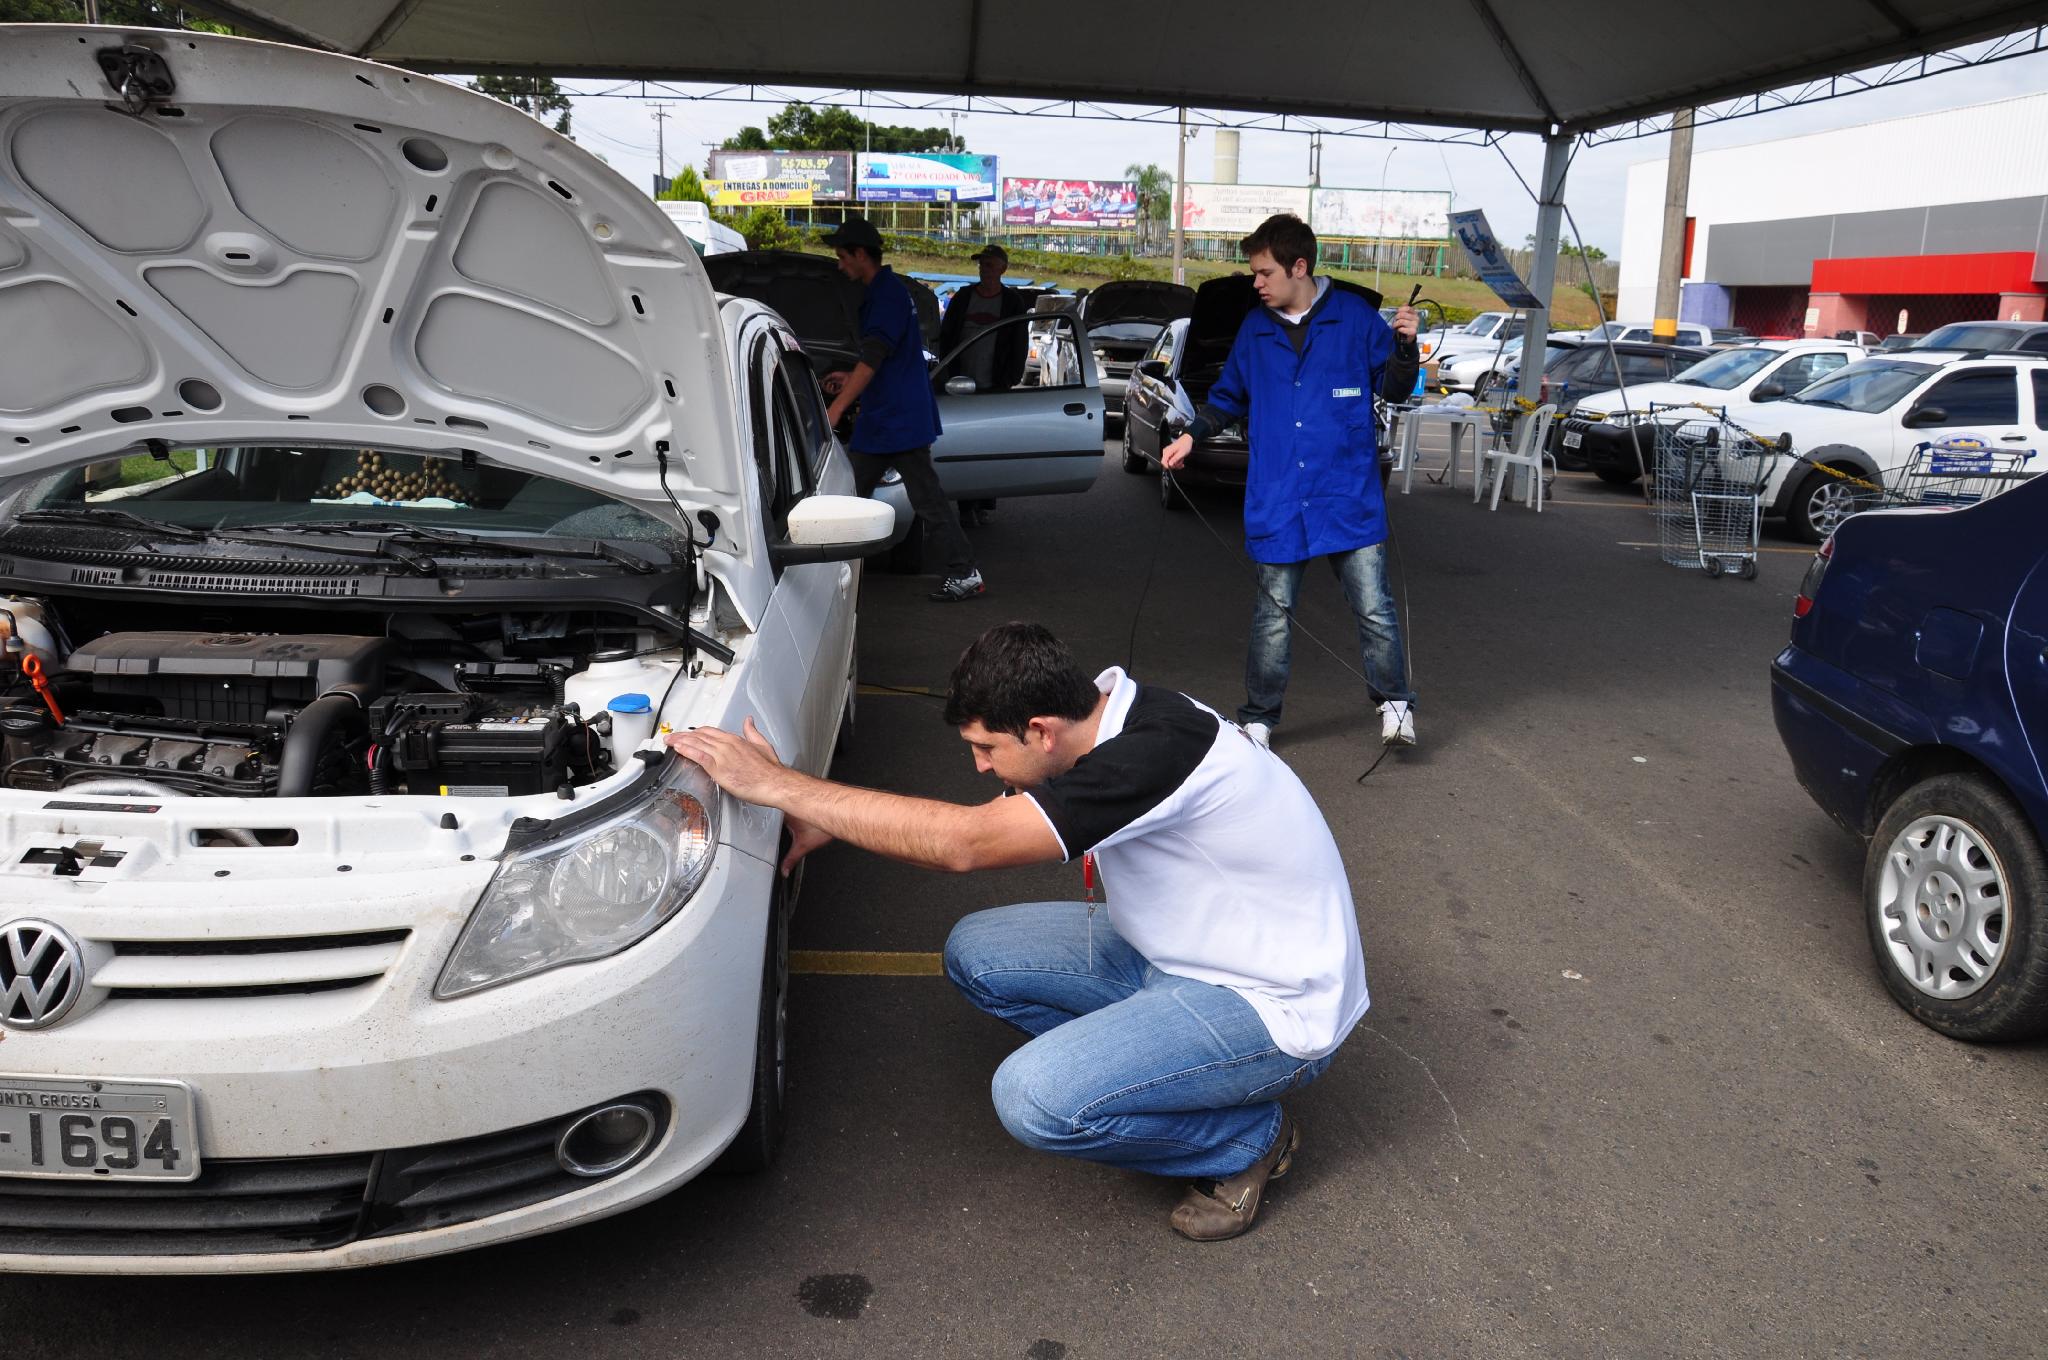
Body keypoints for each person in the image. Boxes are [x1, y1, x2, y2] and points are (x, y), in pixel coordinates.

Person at [664, 622, 1369, 1242]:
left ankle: (1247, 1140)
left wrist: (780, 785)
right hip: (1173, 952)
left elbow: (963, 844)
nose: (980, 766)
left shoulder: (1148, 756)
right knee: (978, 953)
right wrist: (830, 818)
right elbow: (983, 813)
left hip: (1268, 1002)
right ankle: (1147, 1069)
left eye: (986, 747)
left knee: (1034, 1100)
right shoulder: (1113, 716)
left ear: (1041, 730)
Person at [1162, 212, 1421, 749]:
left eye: (1264, 272)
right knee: (1273, 616)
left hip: (1347, 494)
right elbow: (1228, 396)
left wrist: (1404, 347)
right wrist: (1191, 435)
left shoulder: (1354, 318)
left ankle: (1396, 705)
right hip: (1279, 495)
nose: (1256, 283)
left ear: (1298, 267)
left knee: (1374, 609)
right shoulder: (1255, 330)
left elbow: (1395, 389)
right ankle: (1259, 718)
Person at [820, 214, 984, 603]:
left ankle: (964, 572)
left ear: (861, 254)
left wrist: (837, 407)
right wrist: (850, 377)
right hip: (890, 417)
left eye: (843, 257)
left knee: (875, 496)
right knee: (857, 493)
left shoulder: (886, 295)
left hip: (897, 420)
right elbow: (881, 361)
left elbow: (874, 359)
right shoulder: (886, 292)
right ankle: (827, 569)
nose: (840, 265)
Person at [936, 243, 1027, 527]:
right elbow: (946, 336)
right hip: (961, 385)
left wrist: (1010, 378)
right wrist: (946, 373)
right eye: (981, 265)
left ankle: (984, 503)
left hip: (994, 386)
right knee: (965, 447)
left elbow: (1019, 343)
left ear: (1002, 269)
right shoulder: (963, 297)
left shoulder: (1011, 302)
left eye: (989, 265)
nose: (983, 270)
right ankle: (966, 506)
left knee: (991, 447)